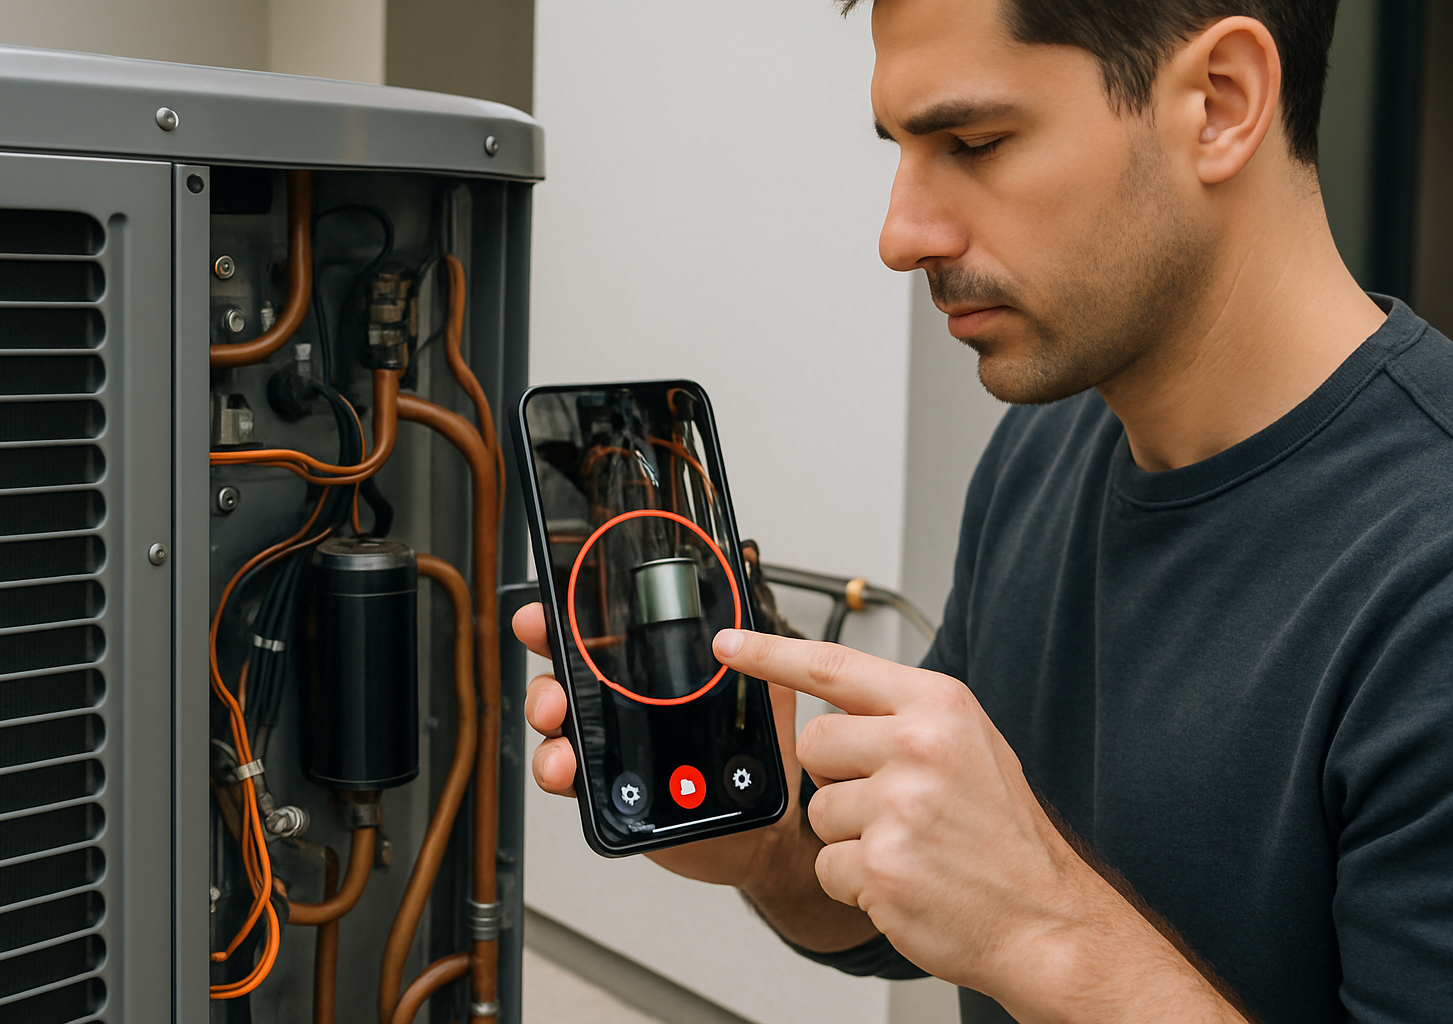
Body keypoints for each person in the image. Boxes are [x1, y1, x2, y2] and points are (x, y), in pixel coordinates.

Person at [515, 0, 1453, 1020]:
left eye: (974, 143)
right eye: (901, 148)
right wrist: (770, 847)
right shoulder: (1044, 449)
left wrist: (1045, 929)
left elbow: (1013, 918)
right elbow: (922, 908)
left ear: (1221, 103)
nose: (899, 236)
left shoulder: (1425, 570)